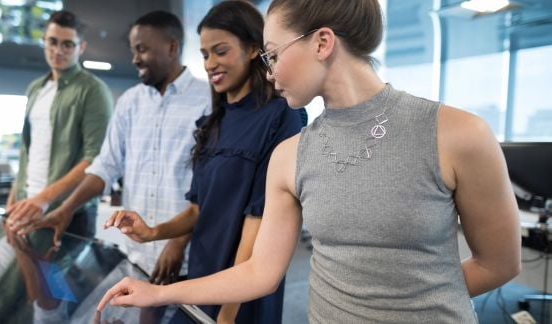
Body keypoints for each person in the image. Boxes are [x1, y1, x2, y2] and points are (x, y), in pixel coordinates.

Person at [97, 0, 522, 322]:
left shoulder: (459, 134)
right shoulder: (291, 154)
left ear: (322, 42)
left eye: (273, 55)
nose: (269, 72)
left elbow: (499, 263)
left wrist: (407, 305)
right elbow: (260, 271)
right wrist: (160, 293)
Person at [102, 2, 302, 323]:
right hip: (199, 282)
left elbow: (259, 222)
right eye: (205, 54)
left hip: (241, 293)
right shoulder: (212, 122)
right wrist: (153, 232)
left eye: (220, 51)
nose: (210, 64)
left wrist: (227, 314)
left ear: (253, 48)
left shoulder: (281, 117)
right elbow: (198, 210)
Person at [11, 11, 211, 285]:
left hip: (189, 257)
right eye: (133, 50)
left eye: (142, 49)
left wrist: (177, 242)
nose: (134, 59)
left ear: (172, 47)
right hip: (138, 256)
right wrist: (66, 209)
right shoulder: (130, 102)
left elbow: (212, 185)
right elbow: (105, 166)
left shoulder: (209, 100)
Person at [5, 10, 113, 239]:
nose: (58, 51)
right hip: (26, 202)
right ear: (44, 40)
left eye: (67, 45)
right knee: (20, 271)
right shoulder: (35, 88)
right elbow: (28, 151)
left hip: (67, 210)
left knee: (55, 275)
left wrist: (43, 199)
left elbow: (95, 158)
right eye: (52, 42)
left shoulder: (93, 90)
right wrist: (13, 197)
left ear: (80, 47)